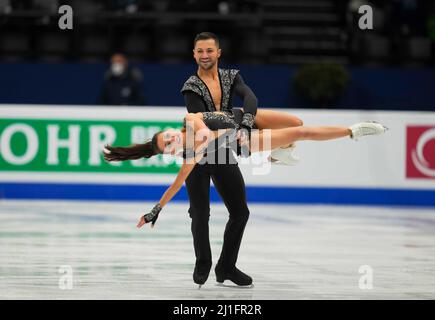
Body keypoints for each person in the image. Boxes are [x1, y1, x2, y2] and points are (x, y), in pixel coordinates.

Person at [103, 109, 388, 285]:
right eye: (168, 147)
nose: (171, 142)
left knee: (295, 125)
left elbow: (207, 131)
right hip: (247, 141)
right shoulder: (191, 155)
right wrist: (156, 210)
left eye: (167, 138)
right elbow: (176, 184)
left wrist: (212, 139)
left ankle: (281, 154)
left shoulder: (189, 120)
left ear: (170, 131)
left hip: (242, 119)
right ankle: (354, 131)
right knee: (303, 132)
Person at [180, 31, 302, 288]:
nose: (205, 56)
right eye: (200, 51)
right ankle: (203, 262)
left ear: (218, 52)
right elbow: (205, 120)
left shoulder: (231, 76)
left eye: (209, 51)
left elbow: (251, 98)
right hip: (198, 150)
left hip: (223, 148)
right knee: (200, 213)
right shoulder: (190, 86)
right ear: (194, 54)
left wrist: (247, 122)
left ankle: (226, 266)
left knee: (240, 212)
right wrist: (240, 125)